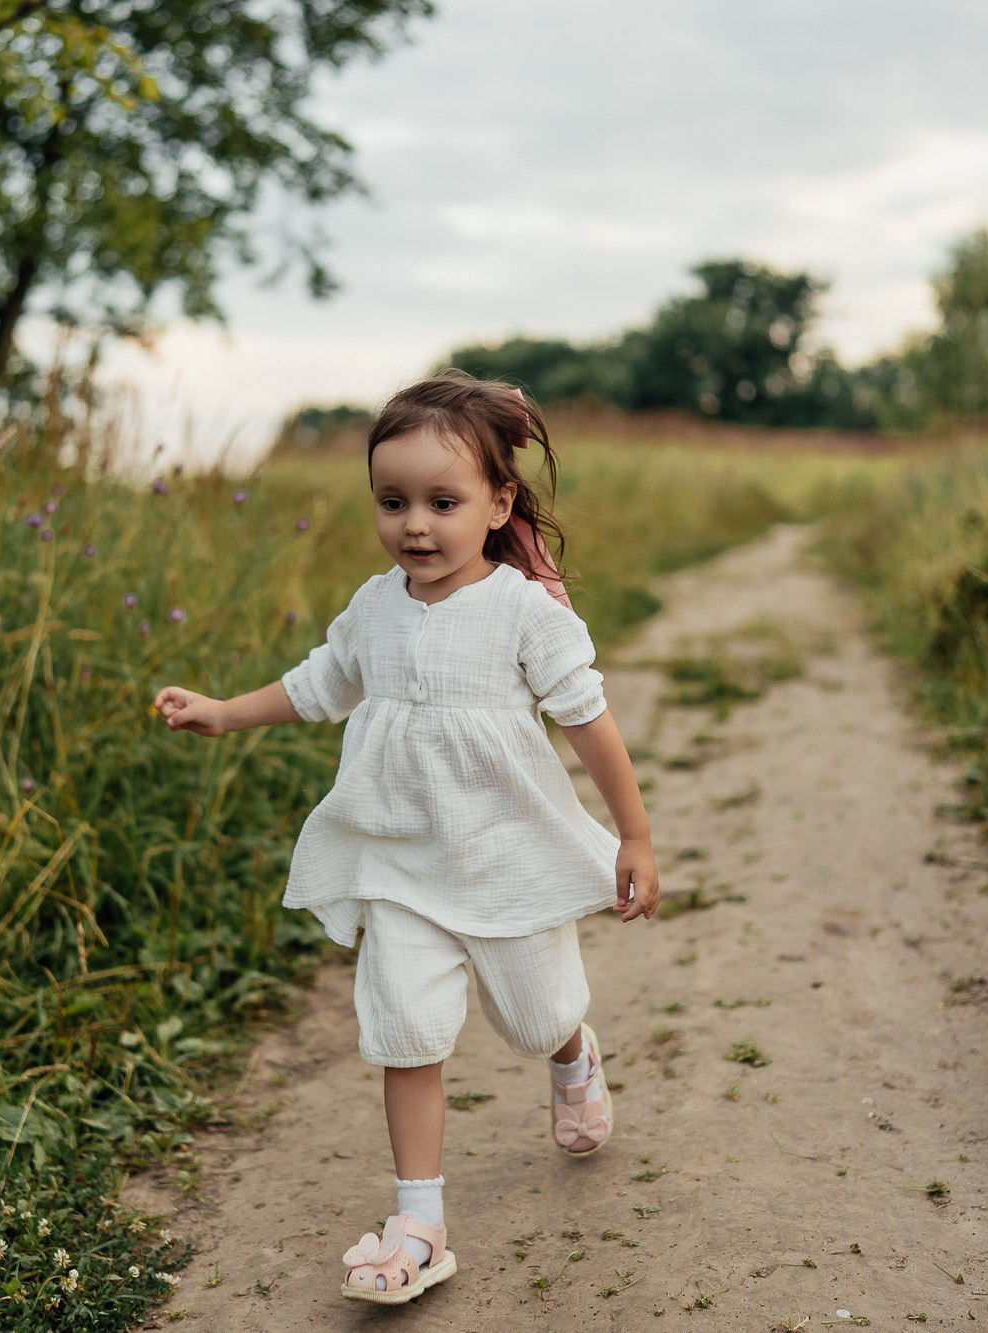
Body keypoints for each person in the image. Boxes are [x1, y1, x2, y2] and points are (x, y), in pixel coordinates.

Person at [151, 373, 660, 1306]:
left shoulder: (523, 613)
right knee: (406, 1030)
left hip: (504, 861)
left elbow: (590, 720)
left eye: (442, 501)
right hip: (398, 863)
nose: (415, 525)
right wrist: (225, 712)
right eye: (393, 503)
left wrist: (633, 834)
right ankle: (419, 1223)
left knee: (536, 1014)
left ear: (499, 502)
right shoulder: (375, 606)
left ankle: (571, 1053)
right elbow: (320, 683)